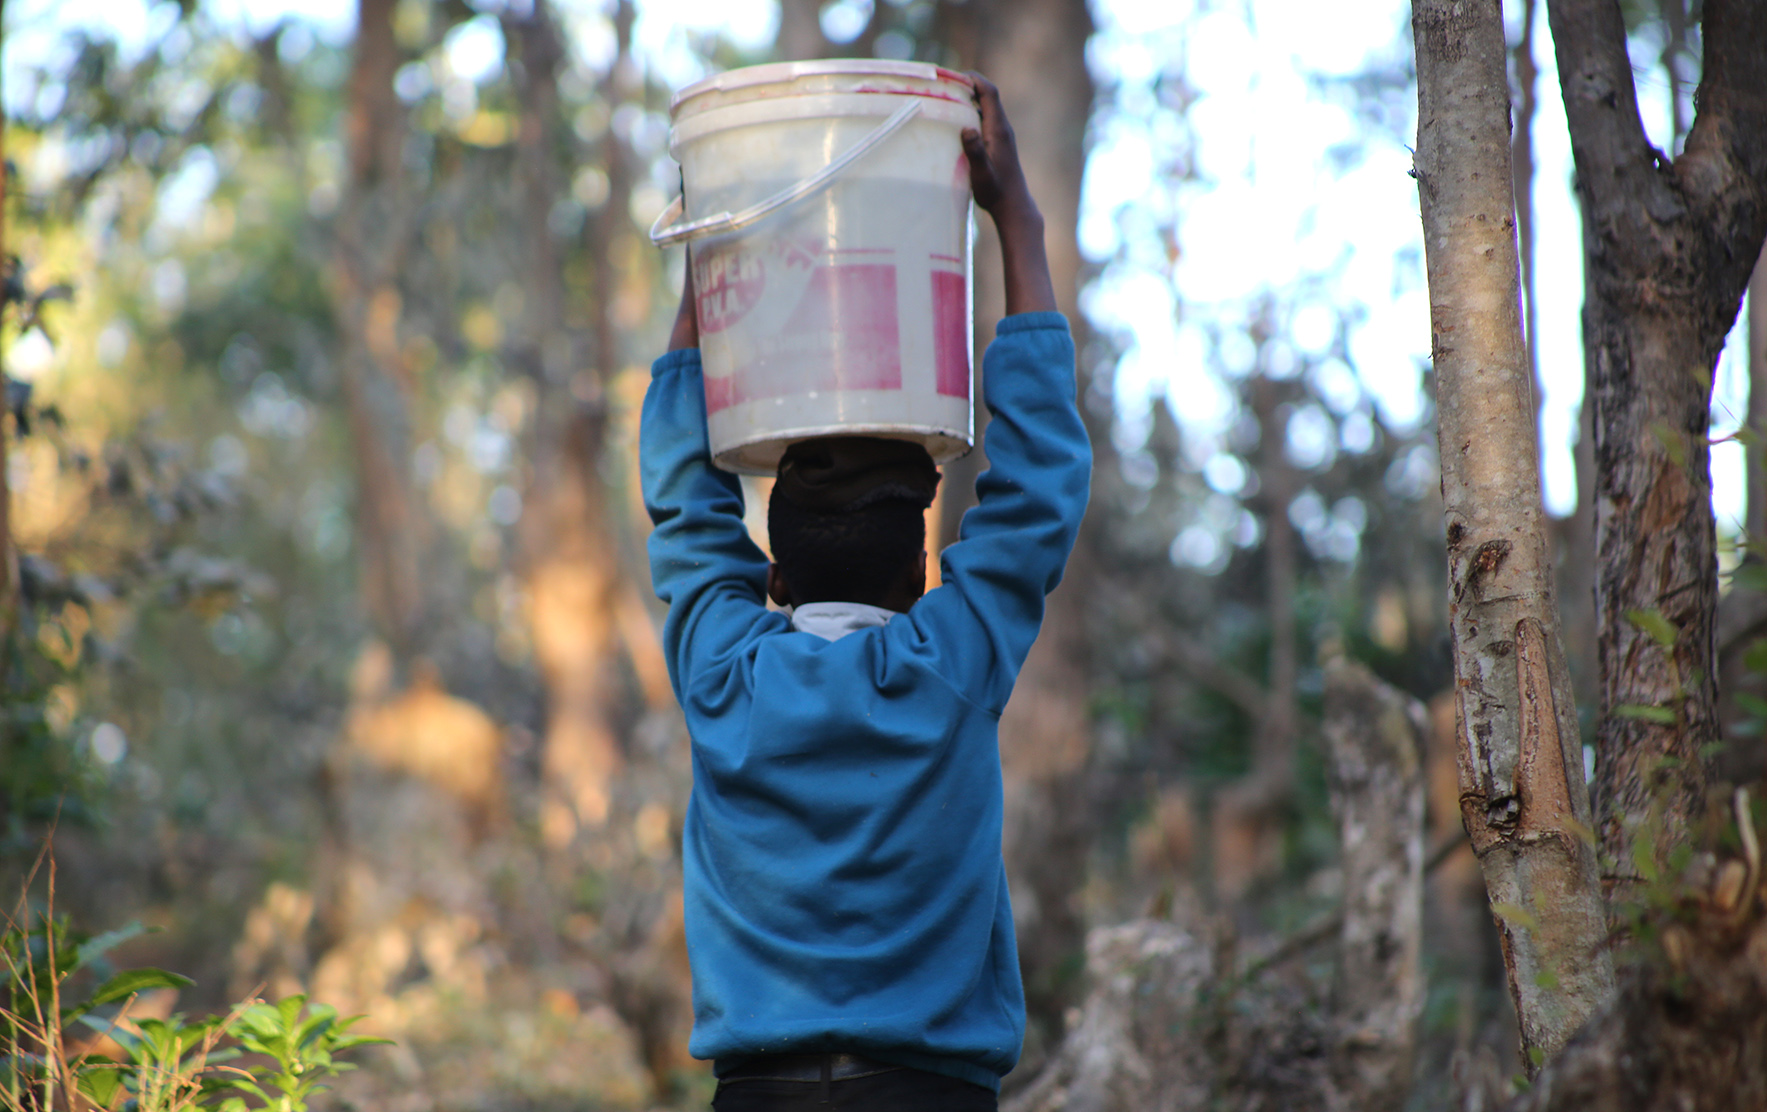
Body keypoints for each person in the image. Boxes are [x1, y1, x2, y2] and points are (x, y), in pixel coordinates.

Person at [640, 73, 1091, 1111]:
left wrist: (717, 250)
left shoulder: (722, 671)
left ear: (776, 573)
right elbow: (1037, 494)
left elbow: (680, 494)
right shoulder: (950, 663)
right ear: (918, 571)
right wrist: (1013, 219)